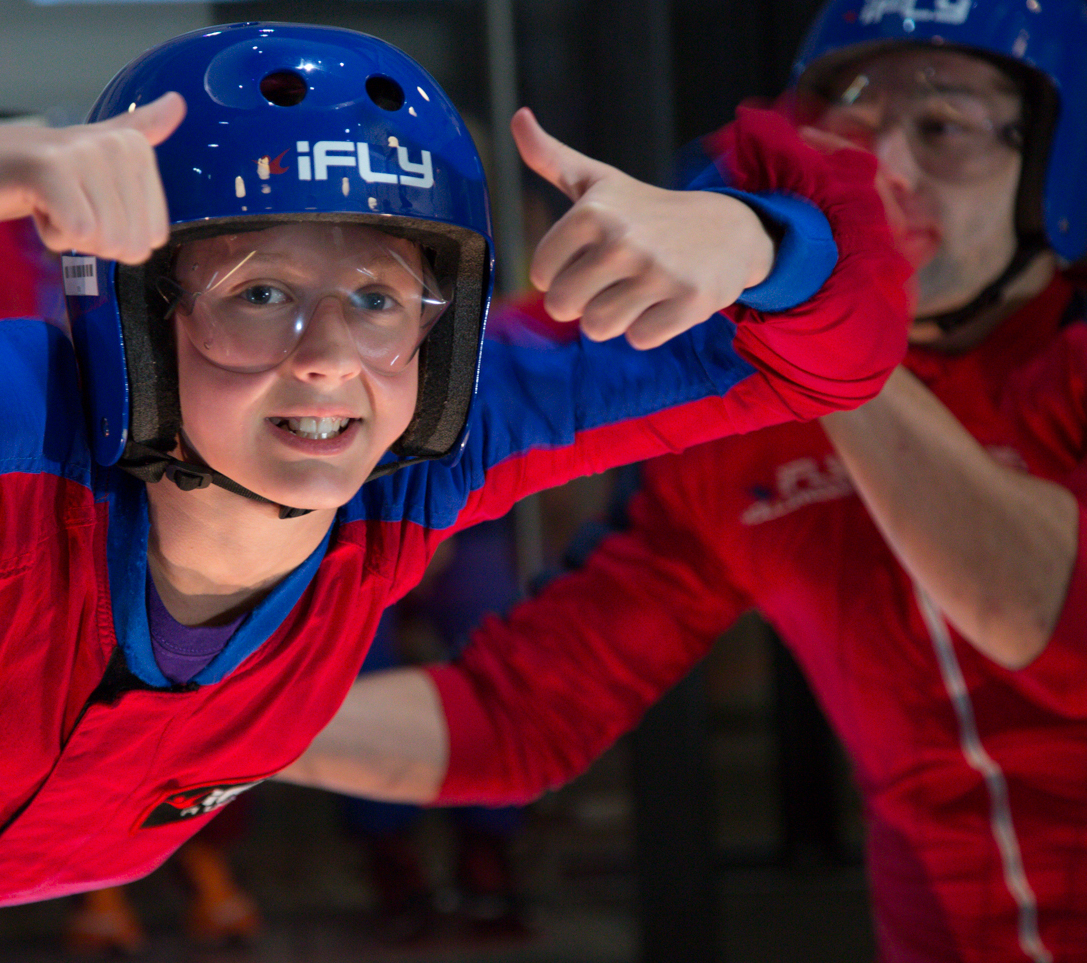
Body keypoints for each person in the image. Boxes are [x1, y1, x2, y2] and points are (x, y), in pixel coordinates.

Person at [0, 18, 906, 922]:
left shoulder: (428, 457)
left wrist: (759, 239)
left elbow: (828, 357)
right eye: (258, 294)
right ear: (135, 318)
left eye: (375, 295)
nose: (326, 362)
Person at [280, 1, 1087, 960]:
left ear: (1049, 161)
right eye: (849, 126)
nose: (882, 172)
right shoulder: (737, 437)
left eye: (944, 127)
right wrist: (206, 718)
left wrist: (814, 301)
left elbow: (1044, 618)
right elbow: (520, 715)